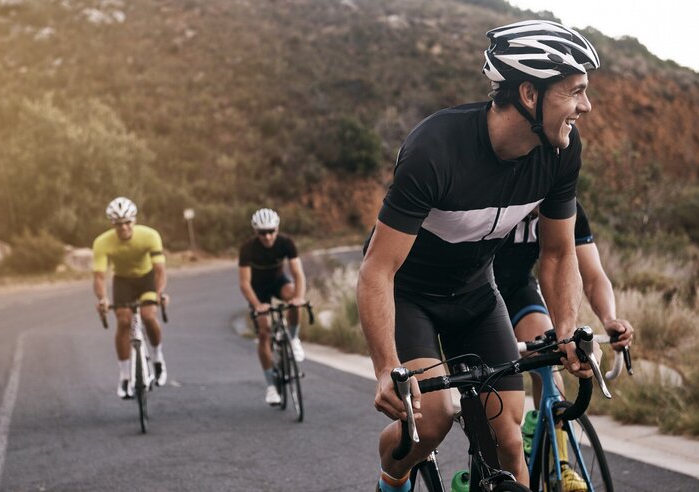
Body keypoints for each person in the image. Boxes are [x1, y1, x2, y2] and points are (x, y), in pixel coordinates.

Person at [356, 20, 602, 492]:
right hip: (410, 296)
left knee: (507, 441)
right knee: (432, 419)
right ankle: (394, 480)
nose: (585, 106)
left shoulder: (561, 152)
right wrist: (386, 368)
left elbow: (556, 254)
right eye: (575, 92)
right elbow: (378, 268)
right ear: (529, 94)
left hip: (475, 295)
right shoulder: (436, 149)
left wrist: (568, 331)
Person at [494, 200, 634, 490]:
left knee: (550, 359)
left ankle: (558, 465)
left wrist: (610, 319)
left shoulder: (565, 206)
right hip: (475, 293)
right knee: (496, 409)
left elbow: (593, 276)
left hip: (518, 290)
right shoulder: (498, 196)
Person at [93, 197, 169, 399]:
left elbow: (160, 271)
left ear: (134, 220)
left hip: (146, 279)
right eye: (119, 224)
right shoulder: (102, 242)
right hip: (122, 281)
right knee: (124, 322)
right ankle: (125, 376)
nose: (124, 227)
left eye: (127, 222)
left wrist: (159, 294)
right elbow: (99, 276)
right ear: (112, 224)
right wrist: (103, 299)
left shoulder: (150, 236)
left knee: (148, 316)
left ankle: (158, 358)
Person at [238, 208, 307, 406]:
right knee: (264, 331)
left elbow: (298, 274)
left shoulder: (286, 242)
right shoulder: (247, 248)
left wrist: (299, 298)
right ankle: (271, 387)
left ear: (277, 229)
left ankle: (293, 339)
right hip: (258, 290)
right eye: (262, 233)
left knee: (294, 299)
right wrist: (257, 305)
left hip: (278, 282)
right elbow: (244, 283)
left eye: (271, 231)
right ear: (255, 232)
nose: (267, 236)